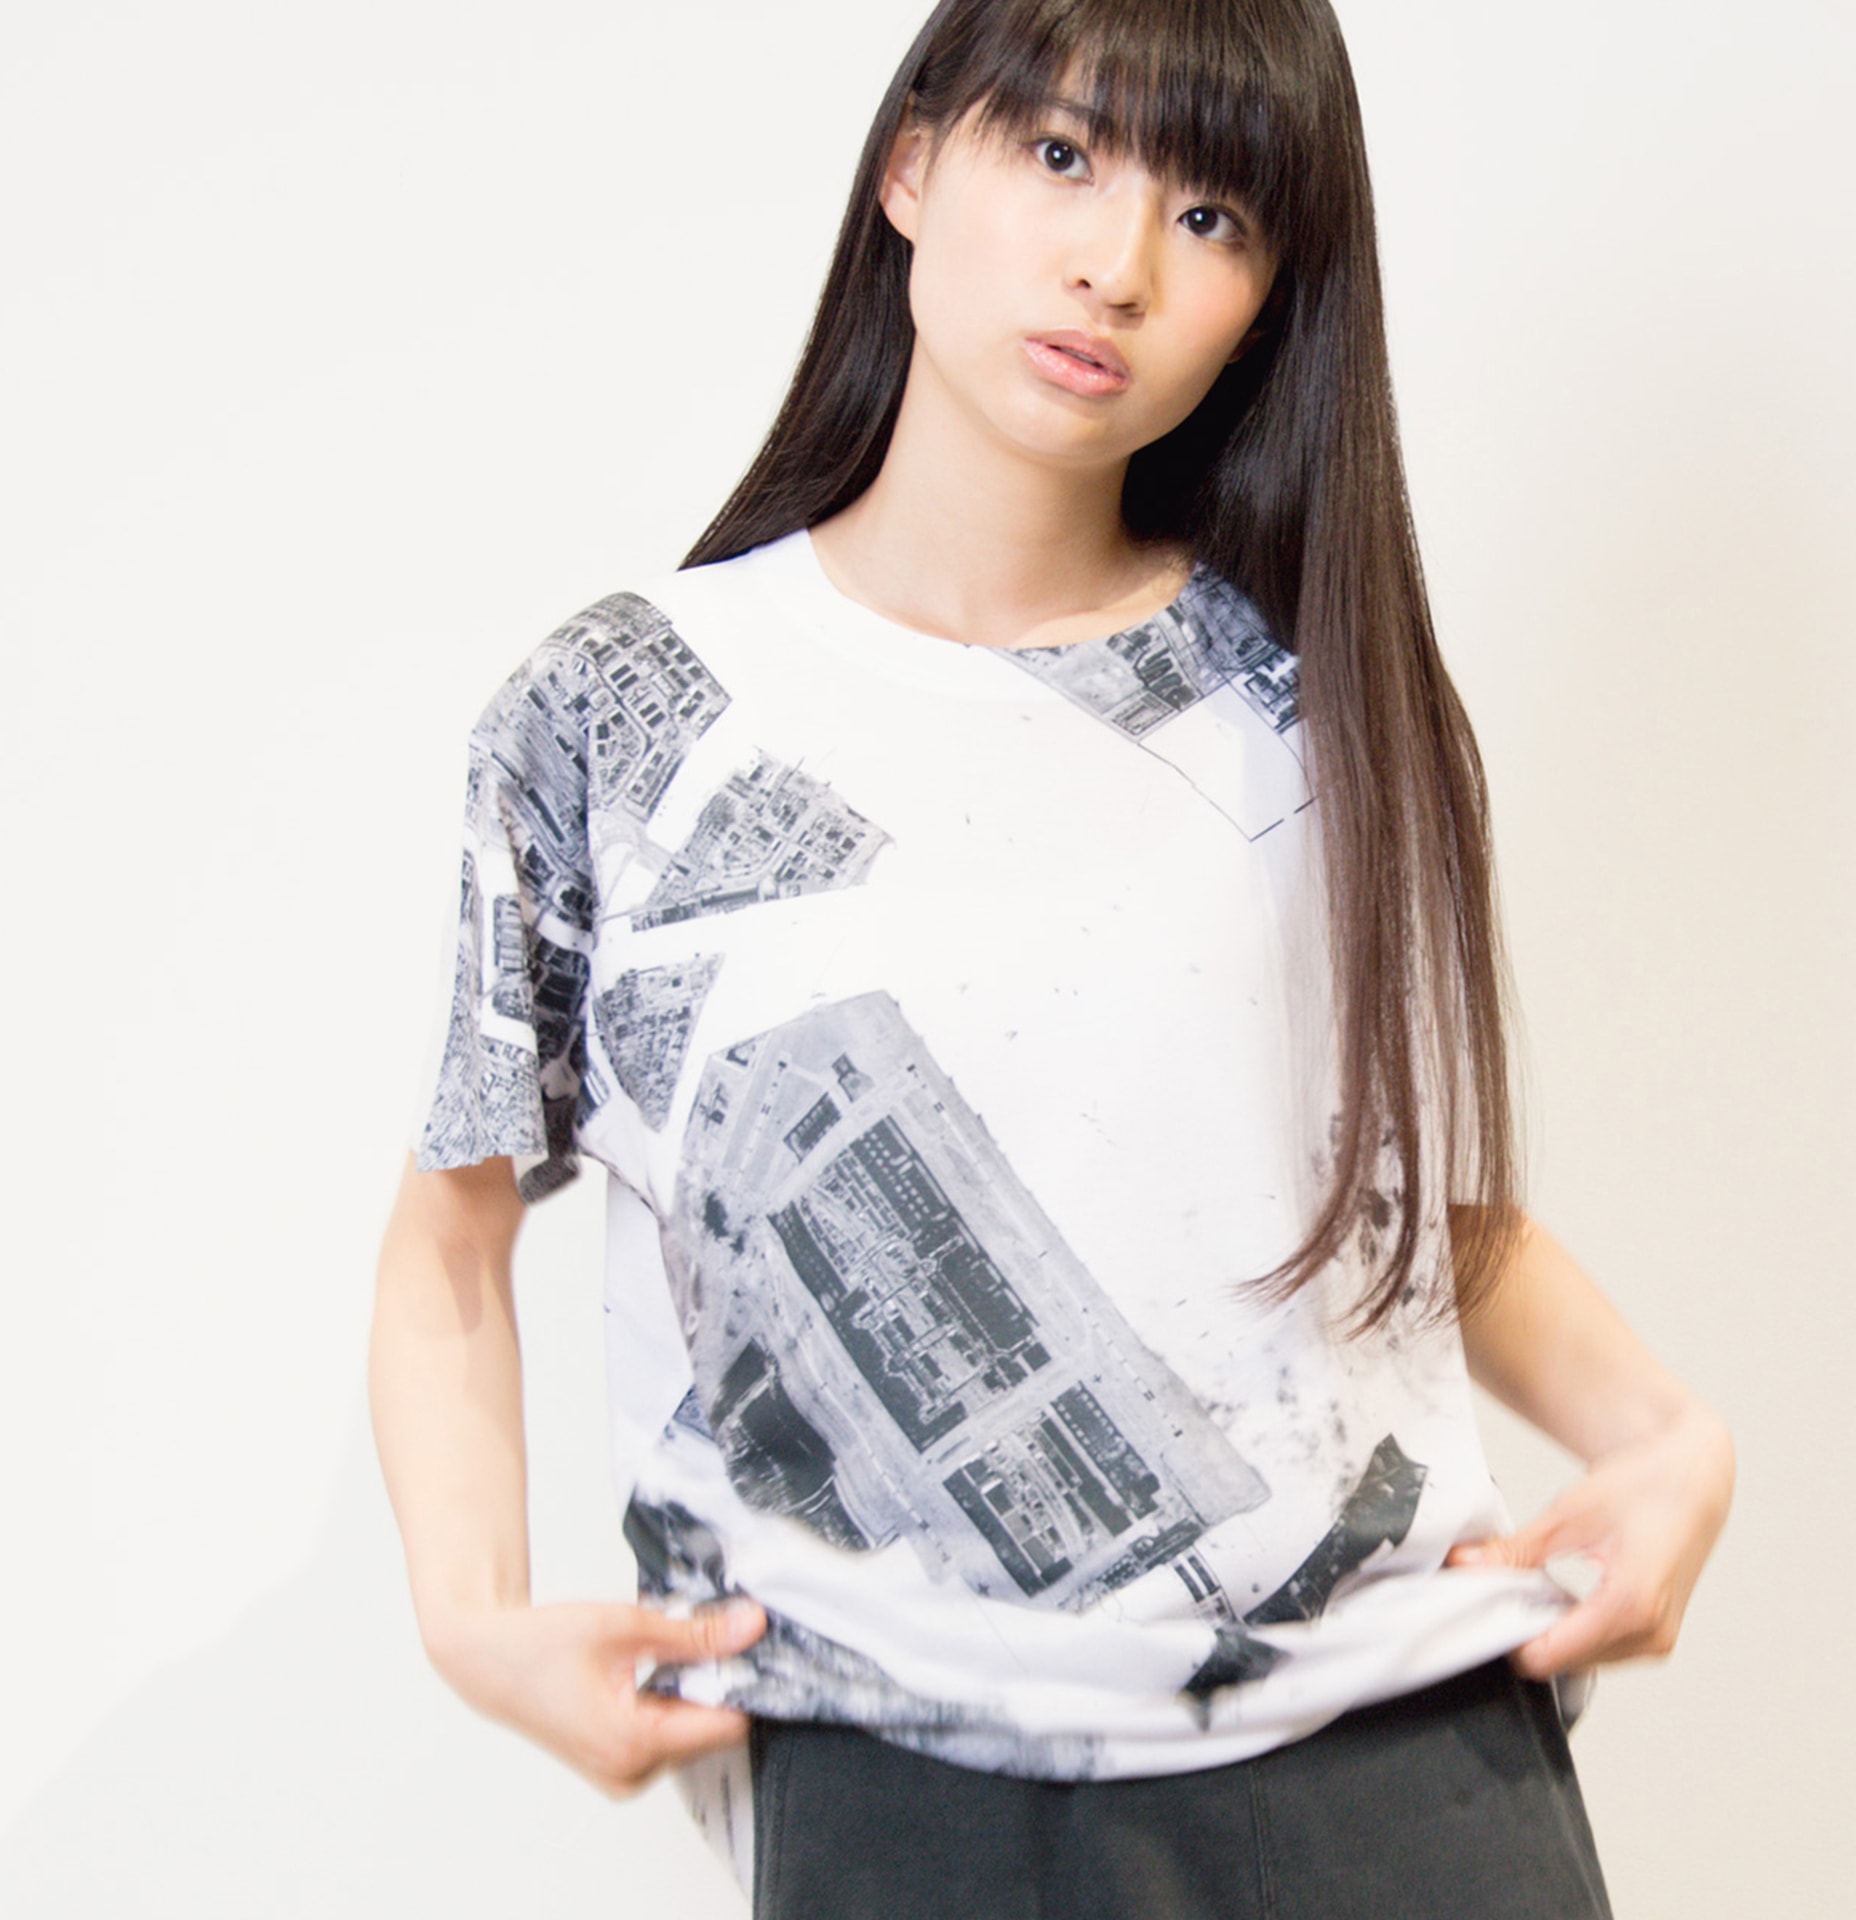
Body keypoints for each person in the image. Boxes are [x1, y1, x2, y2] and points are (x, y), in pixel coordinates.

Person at [369, 1, 1735, 1912]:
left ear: (1270, 299)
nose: (1120, 264)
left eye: (1215, 217)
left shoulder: (1311, 706)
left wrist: (1668, 1434)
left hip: (1410, 1768)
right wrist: (469, 1613)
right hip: (903, 1782)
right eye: (1064, 155)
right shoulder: (627, 712)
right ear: (913, 165)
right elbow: (451, 1227)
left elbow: (1402, 1205)